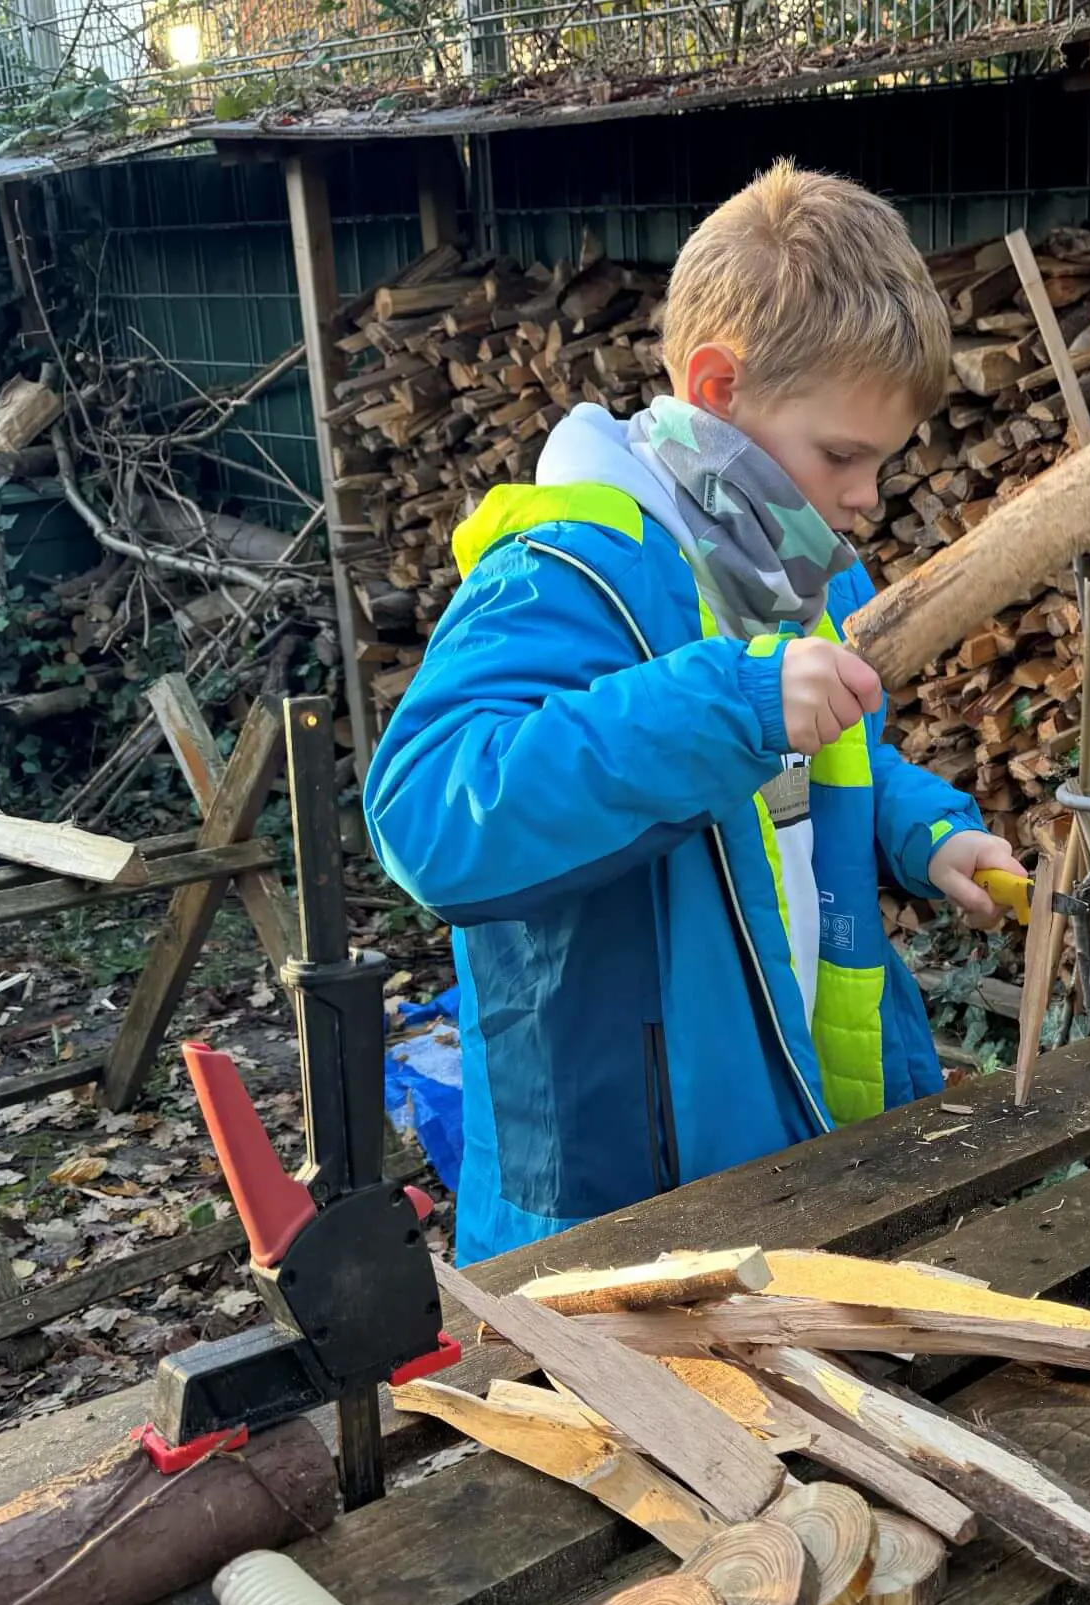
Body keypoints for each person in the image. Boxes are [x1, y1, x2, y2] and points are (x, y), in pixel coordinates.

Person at [365, 161, 1029, 1264]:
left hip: (792, 1116)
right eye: (842, 456)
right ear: (718, 388)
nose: (866, 498)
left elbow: (830, 764)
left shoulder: (802, 577)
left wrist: (927, 831)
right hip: (618, 1195)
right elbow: (433, 814)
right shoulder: (567, 568)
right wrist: (733, 700)